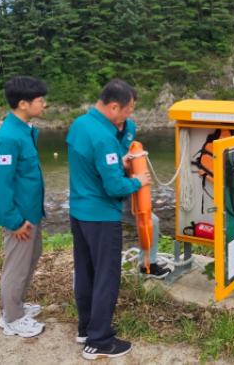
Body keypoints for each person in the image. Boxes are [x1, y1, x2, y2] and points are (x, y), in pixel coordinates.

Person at [67, 79, 153, 360]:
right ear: (114, 106)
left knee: (86, 270)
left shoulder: (80, 124)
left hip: (79, 212)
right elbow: (114, 187)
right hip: (100, 216)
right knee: (106, 276)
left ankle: (86, 328)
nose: (129, 115)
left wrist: (120, 161)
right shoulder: (104, 137)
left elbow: (96, 164)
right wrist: (137, 181)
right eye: (128, 109)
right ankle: (100, 340)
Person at [0, 76, 48, 338]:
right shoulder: (9, 138)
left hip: (30, 213)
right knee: (17, 267)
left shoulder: (23, 129)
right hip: (20, 218)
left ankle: (17, 306)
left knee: (31, 259)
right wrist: (14, 221)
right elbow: (0, 187)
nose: (44, 104)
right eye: (40, 100)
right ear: (23, 103)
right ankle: (11, 318)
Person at [117, 117, 171, 279]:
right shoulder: (102, 132)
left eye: (131, 107)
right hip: (108, 195)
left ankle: (148, 265)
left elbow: (128, 157)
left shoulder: (130, 127)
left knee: (151, 221)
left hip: (126, 187)